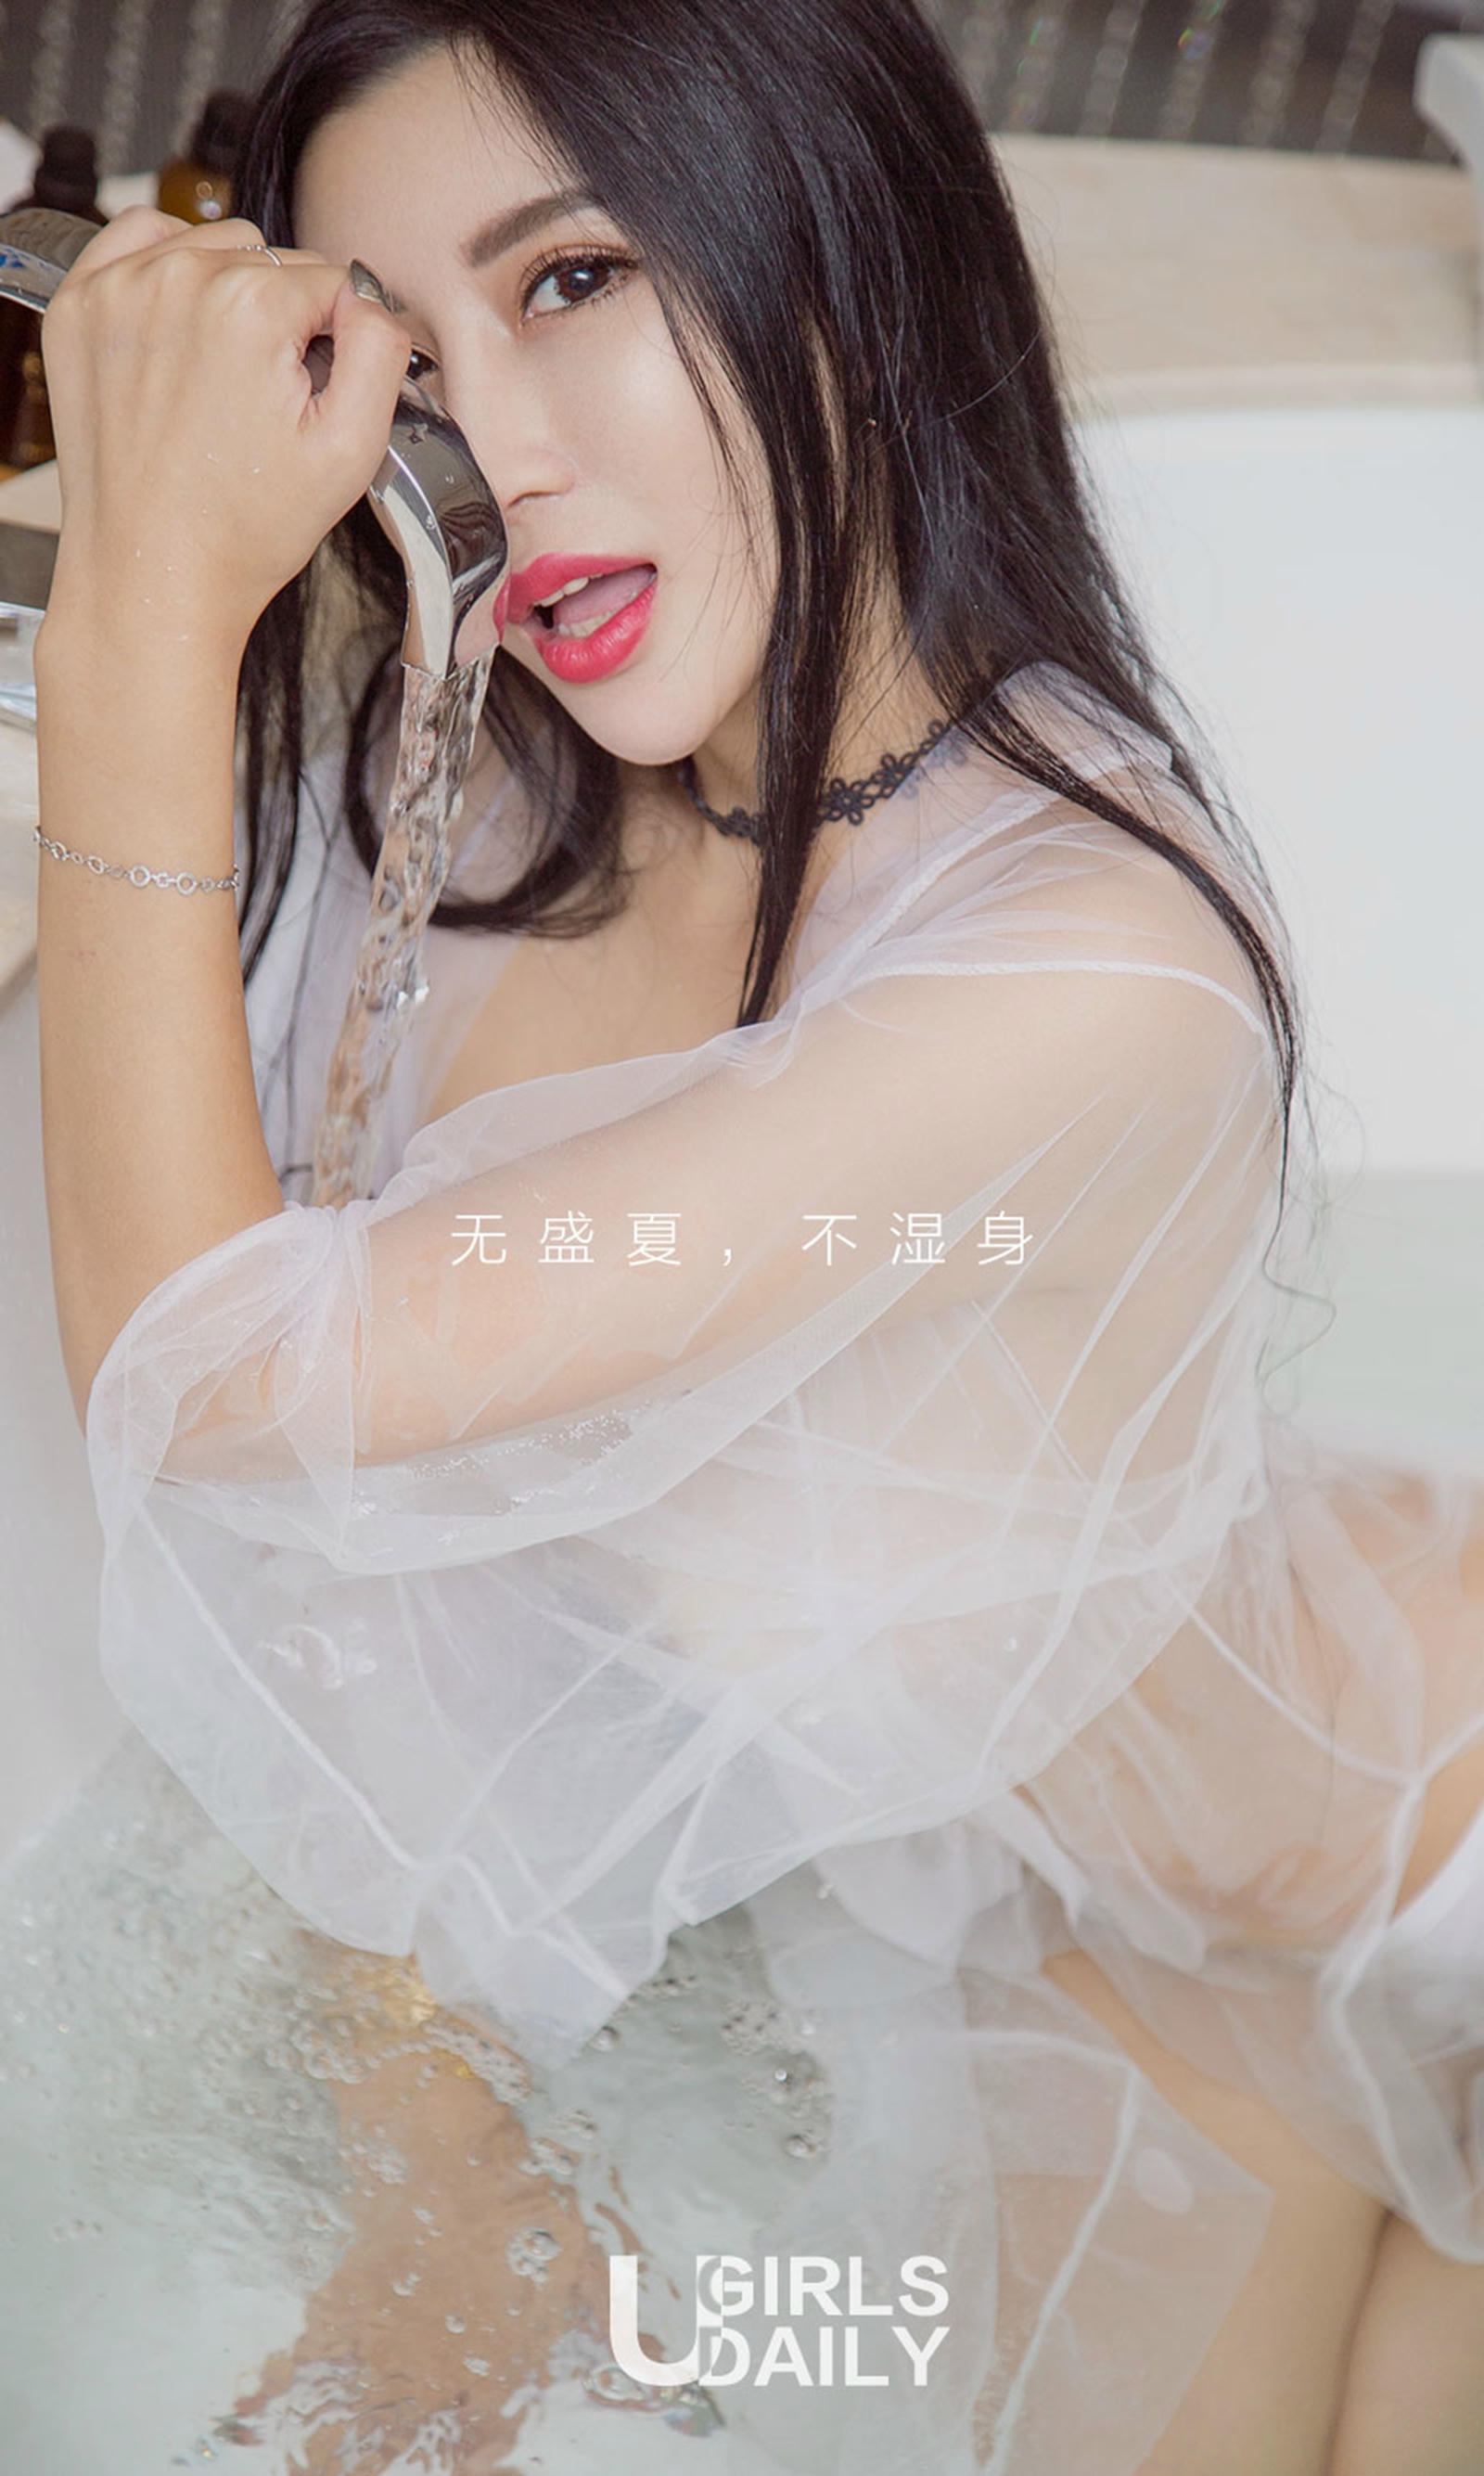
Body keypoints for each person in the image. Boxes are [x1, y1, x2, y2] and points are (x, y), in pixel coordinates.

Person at [29, 1, 1484, 2468]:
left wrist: (134, 632)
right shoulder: (489, 784)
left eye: (573, 280)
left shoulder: (1081, 982)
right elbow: (373, 1561)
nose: (494, 455)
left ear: (846, 255)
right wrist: (432, 2129)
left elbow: (226, 1389)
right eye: (406, 353)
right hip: (1087, 1874)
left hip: (1391, 1884)